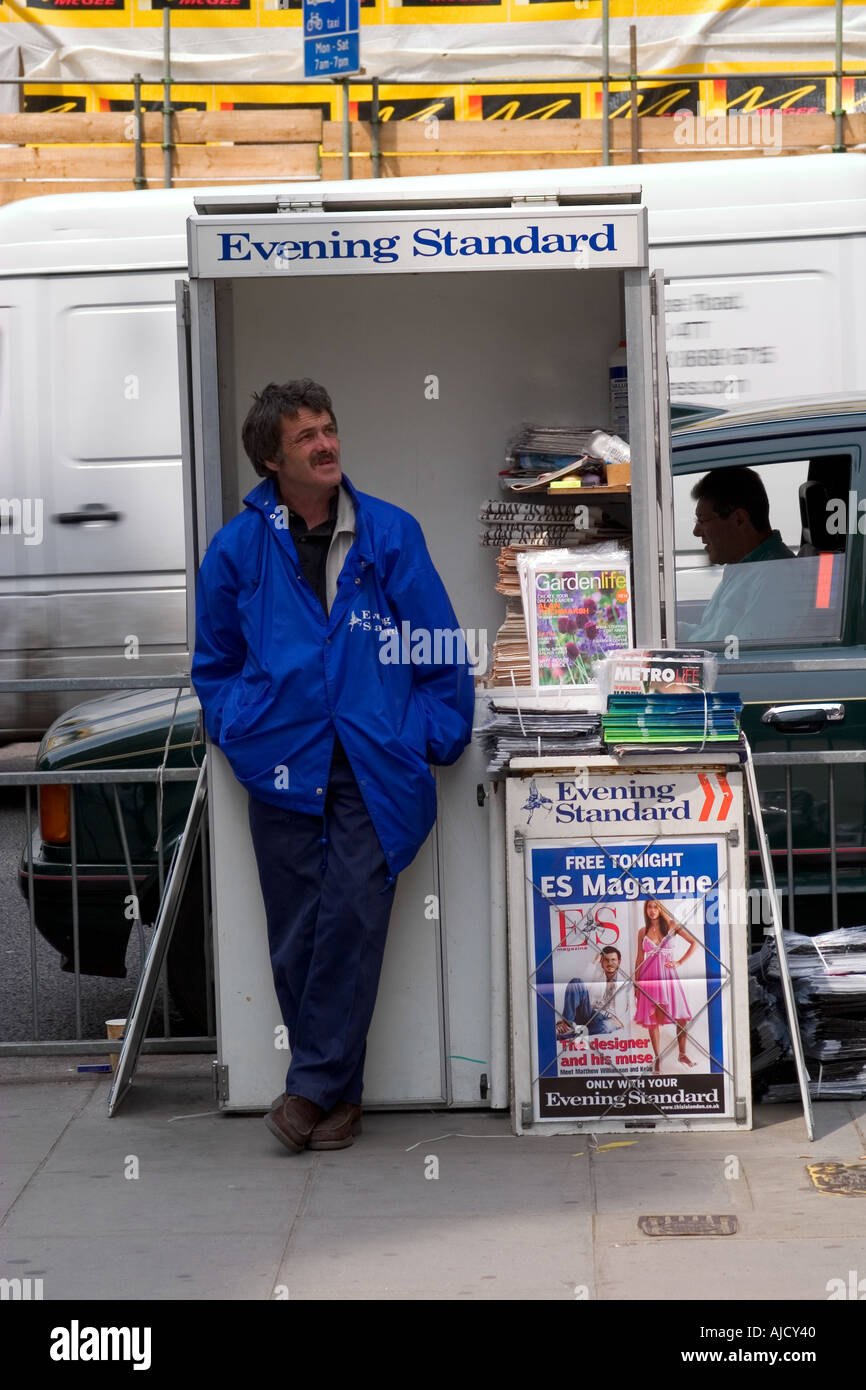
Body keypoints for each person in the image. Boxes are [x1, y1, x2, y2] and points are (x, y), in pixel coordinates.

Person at [192, 379, 474, 1153]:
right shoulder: (237, 548)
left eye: (329, 429)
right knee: (297, 932)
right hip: (280, 761)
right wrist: (236, 725)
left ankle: (308, 1087)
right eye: (306, 437)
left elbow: (438, 643)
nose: (325, 445)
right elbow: (213, 662)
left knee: (352, 913)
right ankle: (337, 1099)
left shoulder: (389, 533)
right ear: (269, 458)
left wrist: (430, 733)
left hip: (373, 765)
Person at [684, 467, 794, 644]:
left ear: (739, 519)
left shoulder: (775, 576)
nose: (696, 532)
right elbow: (709, 634)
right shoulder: (744, 566)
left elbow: (742, 654)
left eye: (702, 521)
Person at [633, 900, 700, 1073]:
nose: (652, 910)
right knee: (652, 1018)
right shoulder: (642, 931)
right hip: (648, 978)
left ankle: (682, 1053)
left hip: (669, 977)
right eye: (649, 907)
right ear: (645, 909)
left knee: (682, 1017)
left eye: (656, 907)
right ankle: (657, 1058)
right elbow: (639, 959)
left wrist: (679, 962)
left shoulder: (672, 925)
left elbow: (694, 943)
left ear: (661, 909)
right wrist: (636, 983)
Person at [556, 945, 631, 1037]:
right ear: (601, 962)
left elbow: (633, 1007)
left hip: (611, 1019)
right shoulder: (597, 976)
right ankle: (567, 1024)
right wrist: (594, 962)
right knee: (576, 982)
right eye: (606, 960)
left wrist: (621, 1021)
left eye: (613, 960)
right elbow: (581, 983)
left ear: (619, 962)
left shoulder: (627, 981)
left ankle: (569, 1033)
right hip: (590, 1013)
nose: (609, 963)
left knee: (606, 1027)